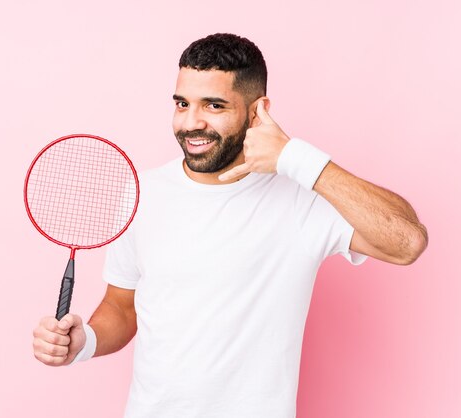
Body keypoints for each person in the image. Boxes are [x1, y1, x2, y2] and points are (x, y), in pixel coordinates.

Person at [32, 33, 428, 417]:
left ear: (257, 110)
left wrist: (296, 158)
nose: (191, 123)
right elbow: (122, 306)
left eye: (214, 106)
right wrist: (85, 342)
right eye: (182, 103)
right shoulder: (143, 193)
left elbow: (407, 241)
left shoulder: (301, 197)